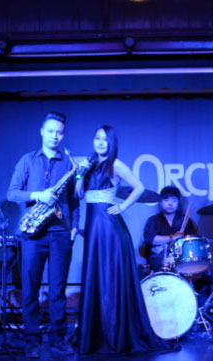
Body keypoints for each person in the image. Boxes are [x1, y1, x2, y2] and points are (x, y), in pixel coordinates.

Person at [76, 125, 175, 354]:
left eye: (105, 139)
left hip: (110, 228)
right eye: (97, 138)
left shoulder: (116, 165)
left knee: (110, 278)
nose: (100, 142)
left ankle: (115, 334)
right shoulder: (89, 164)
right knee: (96, 276)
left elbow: (139, 188)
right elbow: (78, 194)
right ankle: (94, 335)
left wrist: (122, 206)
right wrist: (80, 173)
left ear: (112, 143)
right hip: (93, 228)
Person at [6, 112, 79, 358]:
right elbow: (12, 193)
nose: (55, 136)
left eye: (59, 132)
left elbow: (74, 200)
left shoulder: (68, 163)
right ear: (41, 132)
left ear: (63, 135)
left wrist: (75, 226)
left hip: (61, 232)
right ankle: (32, 339)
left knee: (58, 290)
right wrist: (38, 195)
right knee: (30, 289)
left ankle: (58, 338)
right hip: (33, 234)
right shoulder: (27, 160)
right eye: (50, 131)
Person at [142, 185, 198, 273]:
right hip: (159, 259)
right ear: (161, 202)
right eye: (166, 200)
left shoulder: (185, 220)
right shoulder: (153, 220)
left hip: (181, 258)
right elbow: (151, 240)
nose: (170, 203)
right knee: (158, 258)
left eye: (174, 200)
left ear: (178, 203)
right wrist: (173, 237)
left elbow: (191, 242)